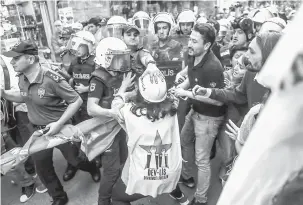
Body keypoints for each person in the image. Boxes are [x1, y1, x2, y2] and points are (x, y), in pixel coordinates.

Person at [1, 41, 100, 205]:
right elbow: (24, 96)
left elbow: (75, 100)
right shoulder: (22, 78)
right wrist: (4, 93)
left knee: (76, 160)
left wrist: (59, 124)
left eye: (16, 58)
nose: (12, 62)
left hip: (61, 129)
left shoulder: (51, 78)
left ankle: (93, 168)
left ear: (31, 59)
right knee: (43, 169)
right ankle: (59, 197)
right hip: (38, 133)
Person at [110, 71, 189, 205]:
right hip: (170, 171)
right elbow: (170, 94)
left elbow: (115, 104)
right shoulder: (173, 107)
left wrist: (124, 87)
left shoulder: (128, 112)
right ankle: (182, 198)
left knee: (117, 197)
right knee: (166, 174)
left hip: (143, 176)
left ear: (140, 93)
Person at [170, 23, 226, 205]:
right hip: (195, 110)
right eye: (190, 39)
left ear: (207, 45)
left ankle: (200, 199)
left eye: (194, 41)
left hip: (209, 118)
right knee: (184, 140)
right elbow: (191, 74)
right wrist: (181, 85)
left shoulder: (213, 67)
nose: (189, 43)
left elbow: (218, 100)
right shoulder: (193, 54)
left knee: (202, 160)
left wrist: (185, 94)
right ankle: (186, 176)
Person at [87, 37, 130, 205]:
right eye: (117, 58)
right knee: (111, 171)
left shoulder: (117, 74)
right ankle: (103, 201)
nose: (122, 62)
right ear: (105, 57)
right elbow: (91, 108)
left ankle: (119, 196)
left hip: (120, 129)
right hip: (106, 132)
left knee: (122, 165)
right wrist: (111, 112)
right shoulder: (98, 79)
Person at [191, 31, 282, 111]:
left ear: (270, 56)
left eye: (252, 52)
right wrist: (208, 92)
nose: (246, 56)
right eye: (248, 50)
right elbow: (237, 94)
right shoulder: (250, 73)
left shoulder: (287, 89)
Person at [1, 54, 36, 203]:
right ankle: (26, 174)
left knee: (20, 145)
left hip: (15, 109)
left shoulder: (9, 62)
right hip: (6, 114)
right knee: (11, 149)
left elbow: (20, 90)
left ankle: (28, 176)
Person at [63, 30, 97, 181]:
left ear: (89, 46)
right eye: (75, 44)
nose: (76, 48)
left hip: (90, 102)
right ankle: (75, 162)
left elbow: (104, 82)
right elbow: (71, 77)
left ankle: (95, 158)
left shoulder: (96, 62)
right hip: (76, 103)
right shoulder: (75, 61)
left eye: (80, 45)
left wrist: (87, 89)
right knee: (75, 133)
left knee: (92, 132)